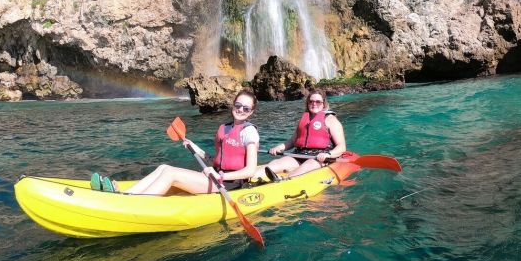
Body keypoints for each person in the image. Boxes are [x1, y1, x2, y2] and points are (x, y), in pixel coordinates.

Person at [93, 89, 260, 195]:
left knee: (171, 174)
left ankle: (134, 202)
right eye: (238, 105)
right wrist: (194, 146)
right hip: (215, 176)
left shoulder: (249, 132)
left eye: (246, 108)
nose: (240, 110)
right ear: (233, 105)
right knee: (163, 167)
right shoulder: (225, 128)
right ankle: (125, 194)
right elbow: (214, 160)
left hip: (230, 183)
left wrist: (222, 176)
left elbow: (250, 170)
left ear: (251, 112)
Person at [259, 88, 346, 181]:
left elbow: (341, 147)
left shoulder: (331, 120)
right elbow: (293, 141)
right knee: (276, 163)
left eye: (318, 102)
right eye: (311, 101)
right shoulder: (304, 119)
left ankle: (283, 180)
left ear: (323, 104)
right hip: (300, 154)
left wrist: (328, 154)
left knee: (308, 165)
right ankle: (251, 177)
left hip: (319, 157)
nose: (314, 104)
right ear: (307, 103)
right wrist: (278, 148)